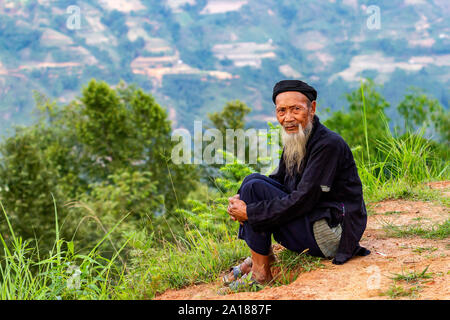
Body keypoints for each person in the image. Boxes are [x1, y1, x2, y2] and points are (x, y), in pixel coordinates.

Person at [226, 80, 370, 286]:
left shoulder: (328, 144)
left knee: (254, 189)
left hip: (329, 234)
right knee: (251, 182)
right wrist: (240, 201)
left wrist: (250, 212)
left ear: (312, 109)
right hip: (311, 218)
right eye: (281, 111)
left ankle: (260, 273)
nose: (288, 118)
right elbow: (278, 182)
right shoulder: (299, 137)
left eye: (296, 109)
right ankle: (262, 259)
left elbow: (304, 199)